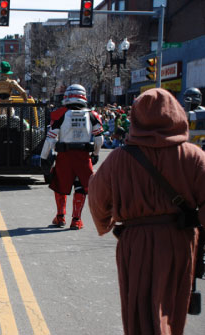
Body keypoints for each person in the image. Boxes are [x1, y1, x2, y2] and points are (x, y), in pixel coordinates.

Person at [88, 88, 205, 334]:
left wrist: (105, 223)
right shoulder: (194, 156)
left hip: (136, 242)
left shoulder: (119, 159)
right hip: (179, 240)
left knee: (139, 311)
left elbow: (97, 197)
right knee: (171, 311)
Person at [40, 84, 103, 230]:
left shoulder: (59, 114)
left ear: (67, 96)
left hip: (64, 156)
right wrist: (95, 154)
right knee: (81, 186)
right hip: (83, 156)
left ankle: (60, 217)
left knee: (60, 185)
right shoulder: (93, 115)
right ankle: (76, 220)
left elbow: (50, 139)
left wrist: (44, 158)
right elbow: (99, 139)